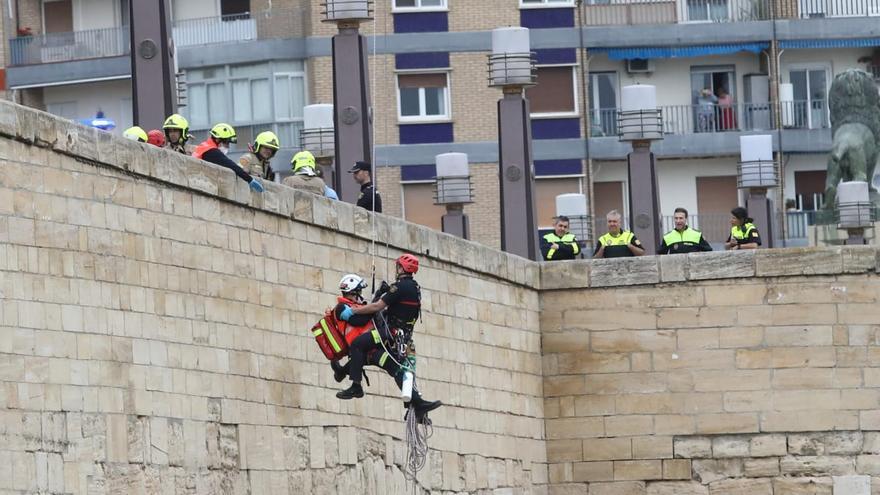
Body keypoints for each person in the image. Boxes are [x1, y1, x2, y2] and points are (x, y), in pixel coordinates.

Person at [336, 254, 441, 421]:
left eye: (398, 266)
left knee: (357, 345)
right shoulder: (416, 288)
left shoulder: (398, 288)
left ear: (402, 268)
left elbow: (378, 307)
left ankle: (355, 385)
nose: (396, 270)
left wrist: (356, 309)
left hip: (387, 334)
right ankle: (417, 406)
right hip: (405, 339)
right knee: (400, 369)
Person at [192, 123, 264, 192]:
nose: (228, 146)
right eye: (227, 143)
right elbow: (231, 165)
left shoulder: (205, 146)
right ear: (218, 139)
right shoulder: (212, 151)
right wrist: (249, 179)